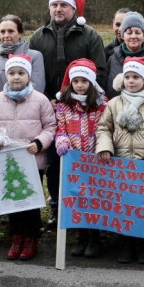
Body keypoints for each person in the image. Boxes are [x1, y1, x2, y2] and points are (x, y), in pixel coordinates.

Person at [29, 0, 107, 228]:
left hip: (82, 109)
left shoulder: (90, 35)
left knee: (85, 162)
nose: (58, 9)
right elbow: (32, 73)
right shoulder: (38, 36)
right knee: (54, 161)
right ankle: (56, 207)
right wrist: (44, 99)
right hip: (48, 109)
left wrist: (81, 98)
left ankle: (86, 210)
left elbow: (100, 71)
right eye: (54, 4)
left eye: (63, 5)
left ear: (73, 8)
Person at [96, 56, 144, 264]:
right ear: (122, 80)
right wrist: (105, 147)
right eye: (128, 77)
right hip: (121, 164)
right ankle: (126, 243)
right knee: (124, 205)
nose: (131, 81)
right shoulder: (114, 104)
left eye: (136, 77)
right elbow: (104, 128)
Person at [0, 55, 56, 261]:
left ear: (29, 75)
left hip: (32, 158)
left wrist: (39, 142)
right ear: (6, 76)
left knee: (30, 200)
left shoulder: (40, 100)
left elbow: (50, 127)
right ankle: (16, 237)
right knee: (11, 200)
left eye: (21, 73)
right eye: (12, 73)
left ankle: (32, 237)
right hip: (6, 160)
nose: (16, 77)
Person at [54, 59, 108, 259]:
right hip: (74, 159)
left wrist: (103, 148)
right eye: (75, 81)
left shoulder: (102, 105)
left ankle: (95, 238)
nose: (79, 85)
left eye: (84, 81)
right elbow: (61, 127)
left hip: (95, 158)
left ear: (91, 83)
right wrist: (61, 141)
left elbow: (106, 129)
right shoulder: (64, 105)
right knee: (77, 198)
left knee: (93, 199)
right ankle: (81, 236)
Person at [0, 14, 45, 105]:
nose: (6, 35)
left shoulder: (35, 56)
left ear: (20, 33)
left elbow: (37, 88)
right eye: (2, 32)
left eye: (11, 31)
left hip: (28, 112)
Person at [105, 11, 144, 99]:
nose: (133, 36)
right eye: (129, 33)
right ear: (123, 35)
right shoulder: (113, 59)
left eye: (138, 32)